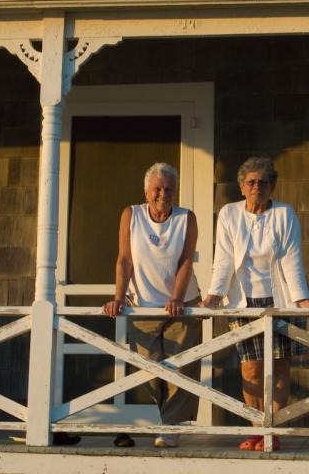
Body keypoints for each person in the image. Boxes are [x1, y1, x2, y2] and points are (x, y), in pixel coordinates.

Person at [202, 156, 309, 452]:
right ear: (241, 187)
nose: (257, 187)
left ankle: (272, 432)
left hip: (280, 299)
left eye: (263, 182)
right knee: (250, 369)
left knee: (278, 368)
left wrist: (302, 299)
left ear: (272, 186)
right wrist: (214, 294)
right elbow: (224, 258)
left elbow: (292, 259)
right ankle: (256, 429)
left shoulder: (284, 214)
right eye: (251, 182)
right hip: (244, 301)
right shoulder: (229, 214)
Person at [102, 162, 201, 449]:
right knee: (149, 369)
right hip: (142, 305)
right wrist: (119, 299)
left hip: (181, 305)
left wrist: (178, 297)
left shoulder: (186, 218)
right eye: (157, 189)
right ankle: (164, 418)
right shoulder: (131, 215)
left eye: (169, 189)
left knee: (180, 368)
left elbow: (186, 260)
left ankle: (170, 428)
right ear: (146, 191)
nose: (163, 194)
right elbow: (124, 260)